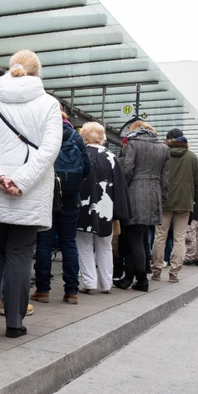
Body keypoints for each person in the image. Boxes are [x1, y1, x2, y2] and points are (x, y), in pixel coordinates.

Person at [0, 51, 60, 337]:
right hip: (29, 191)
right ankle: (14, 322)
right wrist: (21, 181)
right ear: (38, 72)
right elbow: (49, 150)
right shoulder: (49, 104)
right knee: (21, 254)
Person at [32, 110, 90, 305]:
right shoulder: (76, 137)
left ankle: (42, 290)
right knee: (69, 243)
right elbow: (86, 167)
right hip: (70, 196)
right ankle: (72, 291)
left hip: (47, 193)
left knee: (44, 242)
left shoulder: (42, 134)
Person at [75, 123, 130, 293]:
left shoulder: (79, 154)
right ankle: (106, 283)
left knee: (83, 244)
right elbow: (119, 187)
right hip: (105, 208)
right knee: (105, 246)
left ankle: (89, 283)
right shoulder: (111, 157)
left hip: (83, 206)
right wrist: (120, 212)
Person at [117, 121, 169, 291]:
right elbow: (165, 178)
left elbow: (127, 170)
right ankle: (129, 278)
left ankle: (141, 279)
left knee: (135, 238)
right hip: (154, 194)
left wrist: (121, 191)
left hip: (135, 193)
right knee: (139, 236)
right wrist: (162, 198)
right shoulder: (163, 148)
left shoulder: (134, 144)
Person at [151, 128, 198, 283]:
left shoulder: (163, 154)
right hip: (184, 202)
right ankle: (174, 273)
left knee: (160, 236)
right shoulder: (191, 156)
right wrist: (193, 199)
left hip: (164, 201)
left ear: (168, 140)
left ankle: (156, 271)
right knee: (179, 238)